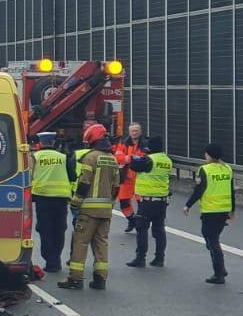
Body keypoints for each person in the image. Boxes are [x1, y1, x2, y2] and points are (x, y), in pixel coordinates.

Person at [59, 123, 119, 291]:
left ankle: (75, 279)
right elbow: (116, 186)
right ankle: (100, 279)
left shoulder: (90, 157)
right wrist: (110, 204)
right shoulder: (112, 159)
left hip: (88, 211)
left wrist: (76, 202)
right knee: (101, 244)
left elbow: (84, 182)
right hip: (105, 211)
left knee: (80, 243)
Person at [184, 143, 236, 285]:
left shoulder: (204, 170)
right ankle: (220, 269)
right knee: (213, 239)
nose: (205, 156)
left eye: (206, 154)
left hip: (210, 210)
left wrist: (188, 205)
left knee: (212, 242)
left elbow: (199, 190)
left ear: (209, 155)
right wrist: (232, 210)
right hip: (223, 211)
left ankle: (219, 272)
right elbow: (231, 190)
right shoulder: (227, 169)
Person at [125, 136, 172, 268]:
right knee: (159, 230)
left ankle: (140, 258)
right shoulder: (167, 160)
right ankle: (159, 258)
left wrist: (134, 157)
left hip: (147, 201)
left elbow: (134, 166)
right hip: (162, 200)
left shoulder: (148, 160)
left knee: (141, 228)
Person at [29, 132, 71, 273]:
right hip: (61, 198)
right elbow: (72, 175)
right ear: (53, 143)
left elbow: (29, 175)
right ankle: (56, 259)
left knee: (45, 229)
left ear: (40, 143)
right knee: (59, 229)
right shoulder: (63, 157)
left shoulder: (35, 156)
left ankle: (50, 261)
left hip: (43, 197)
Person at [115, 123, 148, 230]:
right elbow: (118, 156)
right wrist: (130, 158)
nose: (134, 133)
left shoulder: (145, 143)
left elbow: (146, 158)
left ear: (140, 131)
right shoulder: (124, 143)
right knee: (124, 202)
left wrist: (129, 158)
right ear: (129, 132)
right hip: (127, 177)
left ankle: (141, 225)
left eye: (136, 130)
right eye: (132, 131)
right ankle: (132, 221)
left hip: (141, 177)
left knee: (142, 203)